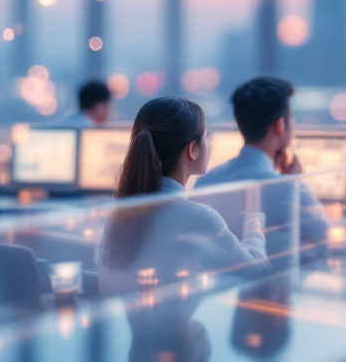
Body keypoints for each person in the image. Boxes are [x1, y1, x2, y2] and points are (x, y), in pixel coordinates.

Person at [99, 97, 267, 284]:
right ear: (193, 150)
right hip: (168, 313)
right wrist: (254, 218)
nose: (208, 144)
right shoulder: (199, 217)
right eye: (206, 138)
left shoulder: (118, 213)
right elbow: (258, 270)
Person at [195, 77, 329, 262]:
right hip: (275, 288)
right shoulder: (288, 189)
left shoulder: (206, 182)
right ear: (280, 125)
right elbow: (328, 241)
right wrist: (294, 184)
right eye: (291, 118)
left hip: (224, 287)